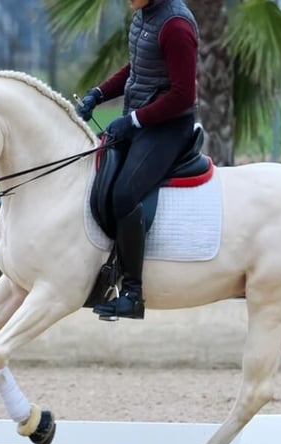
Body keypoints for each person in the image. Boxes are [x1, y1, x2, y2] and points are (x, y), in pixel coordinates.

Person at [75, 0, 199, 320]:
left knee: (125, 193)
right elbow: (138, 68)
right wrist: (98, 94)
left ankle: (132, 293)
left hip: (169, 128)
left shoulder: (176, 26)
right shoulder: (145, 15)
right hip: (143, 121)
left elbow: (183, 94)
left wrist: (133, 122)